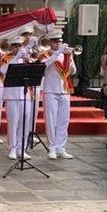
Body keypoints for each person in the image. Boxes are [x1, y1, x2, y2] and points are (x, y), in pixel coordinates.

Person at [41, 31, 77, 160]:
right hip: (50, 90)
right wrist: (56, 54)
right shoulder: (45, 54)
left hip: (64, 89)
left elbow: (73, 71)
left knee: (63, 120)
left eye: (59, 41)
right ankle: (51, 147)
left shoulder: (64, 55)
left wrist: (69, 56)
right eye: (55, 41)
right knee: (51, 120)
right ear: (50, 43)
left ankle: (61, 147)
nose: (58, 43)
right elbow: (43, 68)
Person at [0, 37, 33, 160]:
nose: (17, 48)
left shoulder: (25, 59)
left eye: (19, 46)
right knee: (13, 122)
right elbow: (3, 70)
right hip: (12, 95)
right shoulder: (6, 58)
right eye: (15, 46)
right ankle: (12, 148)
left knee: (24, 122)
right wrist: (16, 57)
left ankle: (21, 148)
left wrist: (26, 59)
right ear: (11, 47)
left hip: (25, 94)